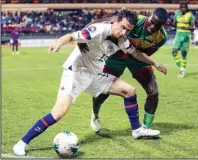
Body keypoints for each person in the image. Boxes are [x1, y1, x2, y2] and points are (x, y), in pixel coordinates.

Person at [13, 9, 162, 156]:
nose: (123, 32)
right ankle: (22, 143)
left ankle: (137, 131)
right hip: (75, 74)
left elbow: (136, 53)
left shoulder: (123, 40)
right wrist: (58, 43)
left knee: (129, 90)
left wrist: (155, 63)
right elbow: (72, 36)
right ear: (116, 21)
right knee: (58, 113)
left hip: (95, 75)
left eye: (128, 30)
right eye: (122, 27)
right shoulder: (98, 30)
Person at [81, 8, 168, 135]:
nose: (153, 26)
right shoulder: (135, 20)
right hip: (116, 57)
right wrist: (84, 34)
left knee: (153, 92)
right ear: (149, 18)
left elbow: (147, 53)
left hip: (138, 58)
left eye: (157, 25)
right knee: (103, 91)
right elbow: (105, 22)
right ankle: (95, 114)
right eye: (152, 22)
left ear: (162, 26)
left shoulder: (162, 37)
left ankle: (145, 127)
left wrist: (154, 64)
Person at [171, 3, 195, 78]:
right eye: (181, 7)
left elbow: (193, 27)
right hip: (178, 36)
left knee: (184, 54)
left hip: (186, 37)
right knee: (174, 52)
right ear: (179, 8)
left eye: (184, 7)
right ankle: (181, 68)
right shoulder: (177, 15)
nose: (182, 8)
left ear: (186, 8)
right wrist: (169, 23)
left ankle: (182, 71)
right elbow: (174, 25)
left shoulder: (190, 16)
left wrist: (186, 28)